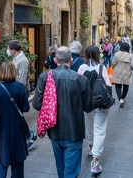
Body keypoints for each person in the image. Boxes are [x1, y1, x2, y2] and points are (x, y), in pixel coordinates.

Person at [33, 46, 94, 178]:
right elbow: (89, 107)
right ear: (71, 60)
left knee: (60, 168)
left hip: (54, 131)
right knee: (71, 172)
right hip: (75, 131)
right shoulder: (81, 80)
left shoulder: (45, 77)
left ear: (55, 60)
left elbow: (37, 104)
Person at [0, 61, 30, 178]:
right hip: (18, 128)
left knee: (1, 161)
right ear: (14, 71)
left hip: (1, 129)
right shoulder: (20, 87)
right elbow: (26, 108)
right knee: (18, 162)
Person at [77, 46, 112, 176]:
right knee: (100, 130)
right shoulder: (101, 68)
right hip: (101, 103)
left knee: (89, 126)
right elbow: (108, 85)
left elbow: (78, 86)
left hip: (87, 103)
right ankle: (95, 161)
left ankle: (91, 148)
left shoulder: (81, 68)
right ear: (98, 54)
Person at [7, 40, 38, 150]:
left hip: (20, 91)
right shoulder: (15, 59)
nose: (8, 50)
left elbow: (22, 81)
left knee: (18, 115)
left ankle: (29, 135)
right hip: (16, 90)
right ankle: (27, 136)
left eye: (8, 49)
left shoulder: (23, 61)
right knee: (18, 115)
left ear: (13, 50)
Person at [111, 42, 133, 107]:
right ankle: (123, 98)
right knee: (126, 86)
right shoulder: (130, 55)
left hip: (118, 72)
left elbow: (113, 63)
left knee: (118, 86)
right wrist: (131, 68)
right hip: (127, 73)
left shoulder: (117, 54)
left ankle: (120, 99)